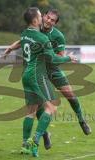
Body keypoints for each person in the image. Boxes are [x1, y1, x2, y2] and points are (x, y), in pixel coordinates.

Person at [4, 9, 92, 150]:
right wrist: (11, 47)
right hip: (39, 72)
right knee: (40, 106)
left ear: (55, 23)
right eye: (47, 17)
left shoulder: (58, 36)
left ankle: (82, 120)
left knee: (70, 94)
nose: (48, 21)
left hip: (52, 69)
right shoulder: (36, 28)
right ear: (43, 16)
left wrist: (60, 57)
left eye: (52, 20)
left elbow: (58, 57)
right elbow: (23, 40)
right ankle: (43, 134)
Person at [20, 7, 77, 157]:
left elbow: (20, 44)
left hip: (25, 75)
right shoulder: (42, 38)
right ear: (35, 20)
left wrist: (10, 48)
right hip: (37, 76)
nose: (43, 18)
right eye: (41, 16)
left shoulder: (24, 34)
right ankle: (36, 141)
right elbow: (54, 59)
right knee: (51, 109)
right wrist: (69, 58)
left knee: (31, 112)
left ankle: (25, 144)